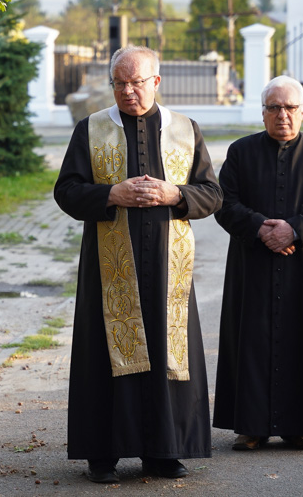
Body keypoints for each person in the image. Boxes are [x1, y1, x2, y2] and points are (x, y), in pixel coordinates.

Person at [54, 46, 223, 483]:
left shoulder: (186, 130)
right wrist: (111, 194)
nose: (128, 91)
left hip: (170, 269)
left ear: (156, 82)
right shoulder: (90, 129)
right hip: (110, 269)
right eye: (120, 83)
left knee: (169, 353)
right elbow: (67, 192)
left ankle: (165, 452)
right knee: (105, 351)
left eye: (137, 82)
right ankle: (103, 454)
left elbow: (212, 194)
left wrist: (176, 195)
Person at [212, 75, 303, 451]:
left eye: (290, 108)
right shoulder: (240, 152)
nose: (282, 115)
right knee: (250, 339)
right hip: (251, 262)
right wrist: (261, 229)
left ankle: (302, 424)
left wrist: (293, 230)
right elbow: (224, 203)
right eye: (274, 108)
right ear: (263, 112)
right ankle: (250, 425)